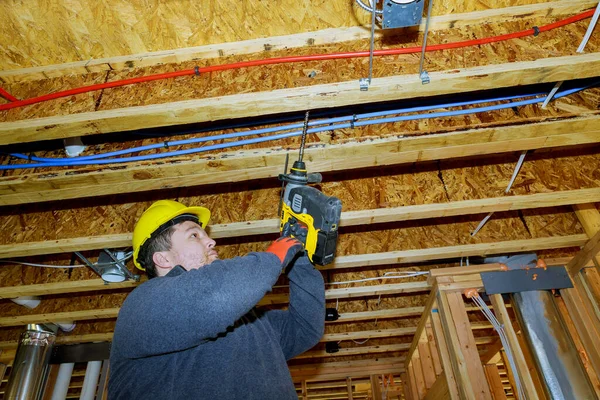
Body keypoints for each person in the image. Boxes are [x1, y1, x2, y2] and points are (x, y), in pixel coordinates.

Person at [108, 200, 325, 399]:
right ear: (163, 258)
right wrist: (276, 254)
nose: (211, 241)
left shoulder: (248, 321)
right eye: (194, 235)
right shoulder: (143, 307)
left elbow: (304, 329)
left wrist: (301, 261)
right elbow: (215, 293)